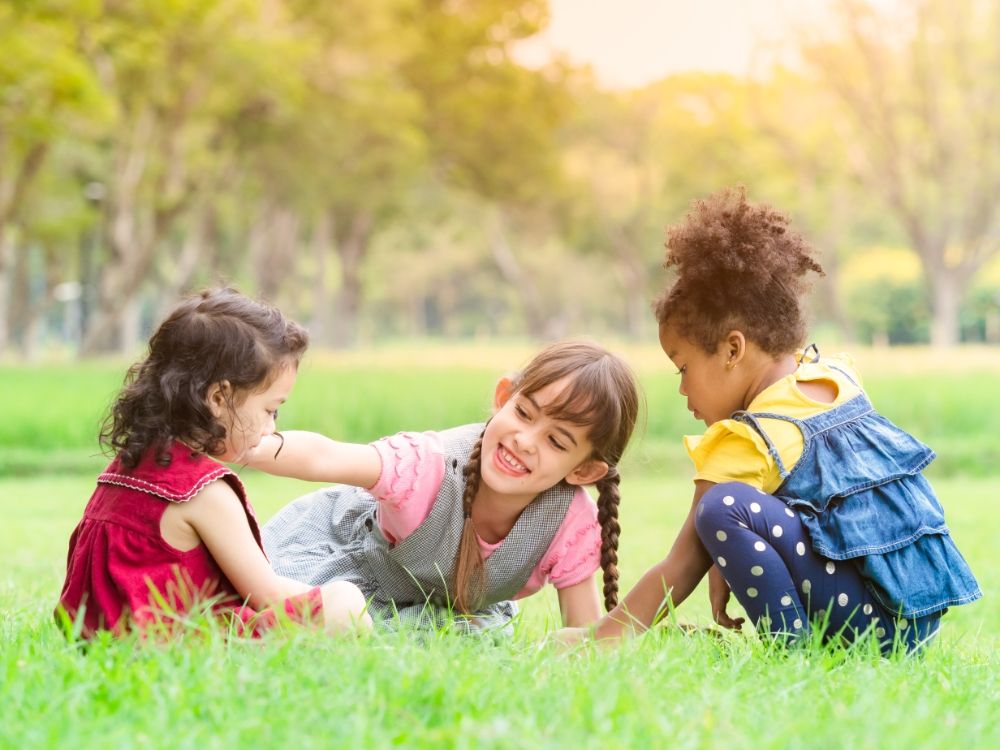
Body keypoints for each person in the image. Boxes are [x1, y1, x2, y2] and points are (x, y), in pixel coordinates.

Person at [570, 188, 980, 653]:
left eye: (683, 368)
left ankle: (792, 652)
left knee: (721, 508)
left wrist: (600, 637)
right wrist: (729, 559)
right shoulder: (835, 375)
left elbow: (680, 565)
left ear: (732, 349)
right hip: (916, 619)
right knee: (731, 512)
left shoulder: (749, 438)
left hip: (869, 626)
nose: (682, 389)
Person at [246, 340, 640, 632]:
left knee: (472, 640)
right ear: (503, 396)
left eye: (556, 441)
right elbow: (326, 457)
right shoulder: (426, 468)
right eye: (523, 413)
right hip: (344, 562)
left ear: (585, 471)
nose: (525, 440)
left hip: (437, 606)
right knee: (320, 616)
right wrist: (246, 445)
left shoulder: (567, 521)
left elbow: (586, 637)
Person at [56, 288, 372, 638]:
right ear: (219, 397)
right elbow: (266, 595)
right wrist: (322, 596)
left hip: (103, 636)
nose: (272, 427)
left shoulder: (124, 469)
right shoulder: (203, 492)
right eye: (270, 409)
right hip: (189, 641)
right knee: (345, 601)